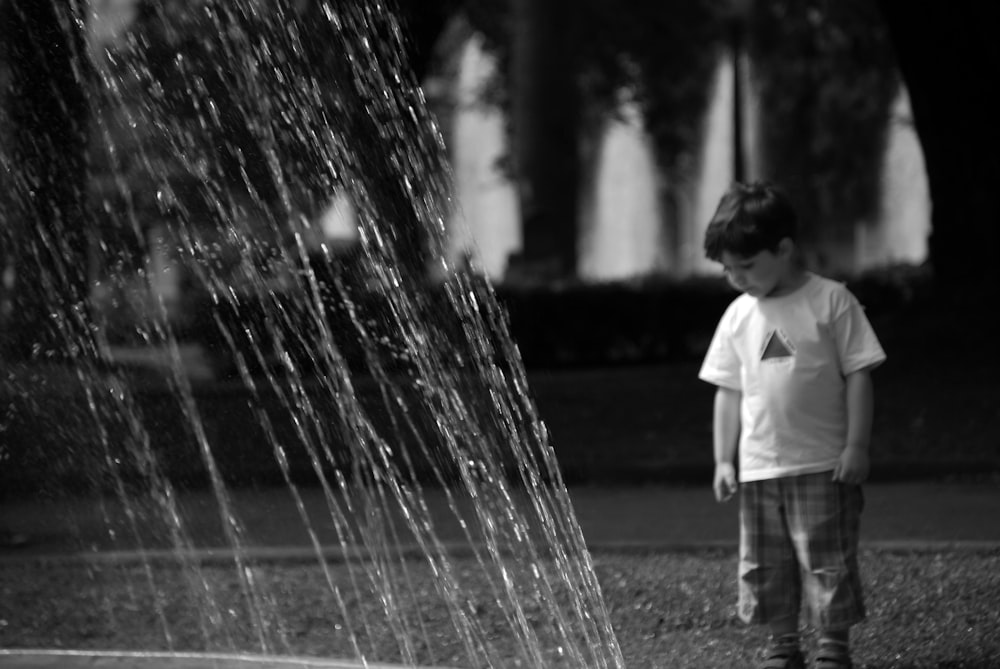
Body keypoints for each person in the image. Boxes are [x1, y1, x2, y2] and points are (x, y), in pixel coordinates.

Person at [698, 181, 885, 669]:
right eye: (727, 269)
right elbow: (728, 390)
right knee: (767, 564)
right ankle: (783, 647)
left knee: (828, 560)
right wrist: (723, 458)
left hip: (823, 463)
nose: (737, 278)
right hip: (760, 469)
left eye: (747, 265)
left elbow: (859, 374)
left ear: (784, 249)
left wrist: (857, 445)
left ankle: (832, 648)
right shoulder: (739, 315)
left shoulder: (831, 301)